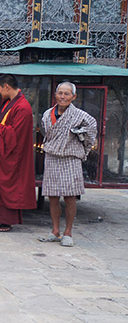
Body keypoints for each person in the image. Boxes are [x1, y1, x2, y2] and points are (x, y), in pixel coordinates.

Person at [38, 82, 97, 247]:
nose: (62, 97)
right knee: (53, 196)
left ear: (73, 97)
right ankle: (55, 231)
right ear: (55, 95)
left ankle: (68, 232)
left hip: (71, 158)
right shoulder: (47, 114)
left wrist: (83, 153)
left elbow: (91, 136)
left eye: (66, 94)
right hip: (51, 157)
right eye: (60, 93)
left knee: (70, 197)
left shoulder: (82, 117)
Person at [0, 74, 36, 233]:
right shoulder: (10, 103)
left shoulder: (23, 107)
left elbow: (15, 135)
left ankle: (7, 220)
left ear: (6, 87)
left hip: (12, 154)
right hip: (2, 150)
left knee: (7, 185)